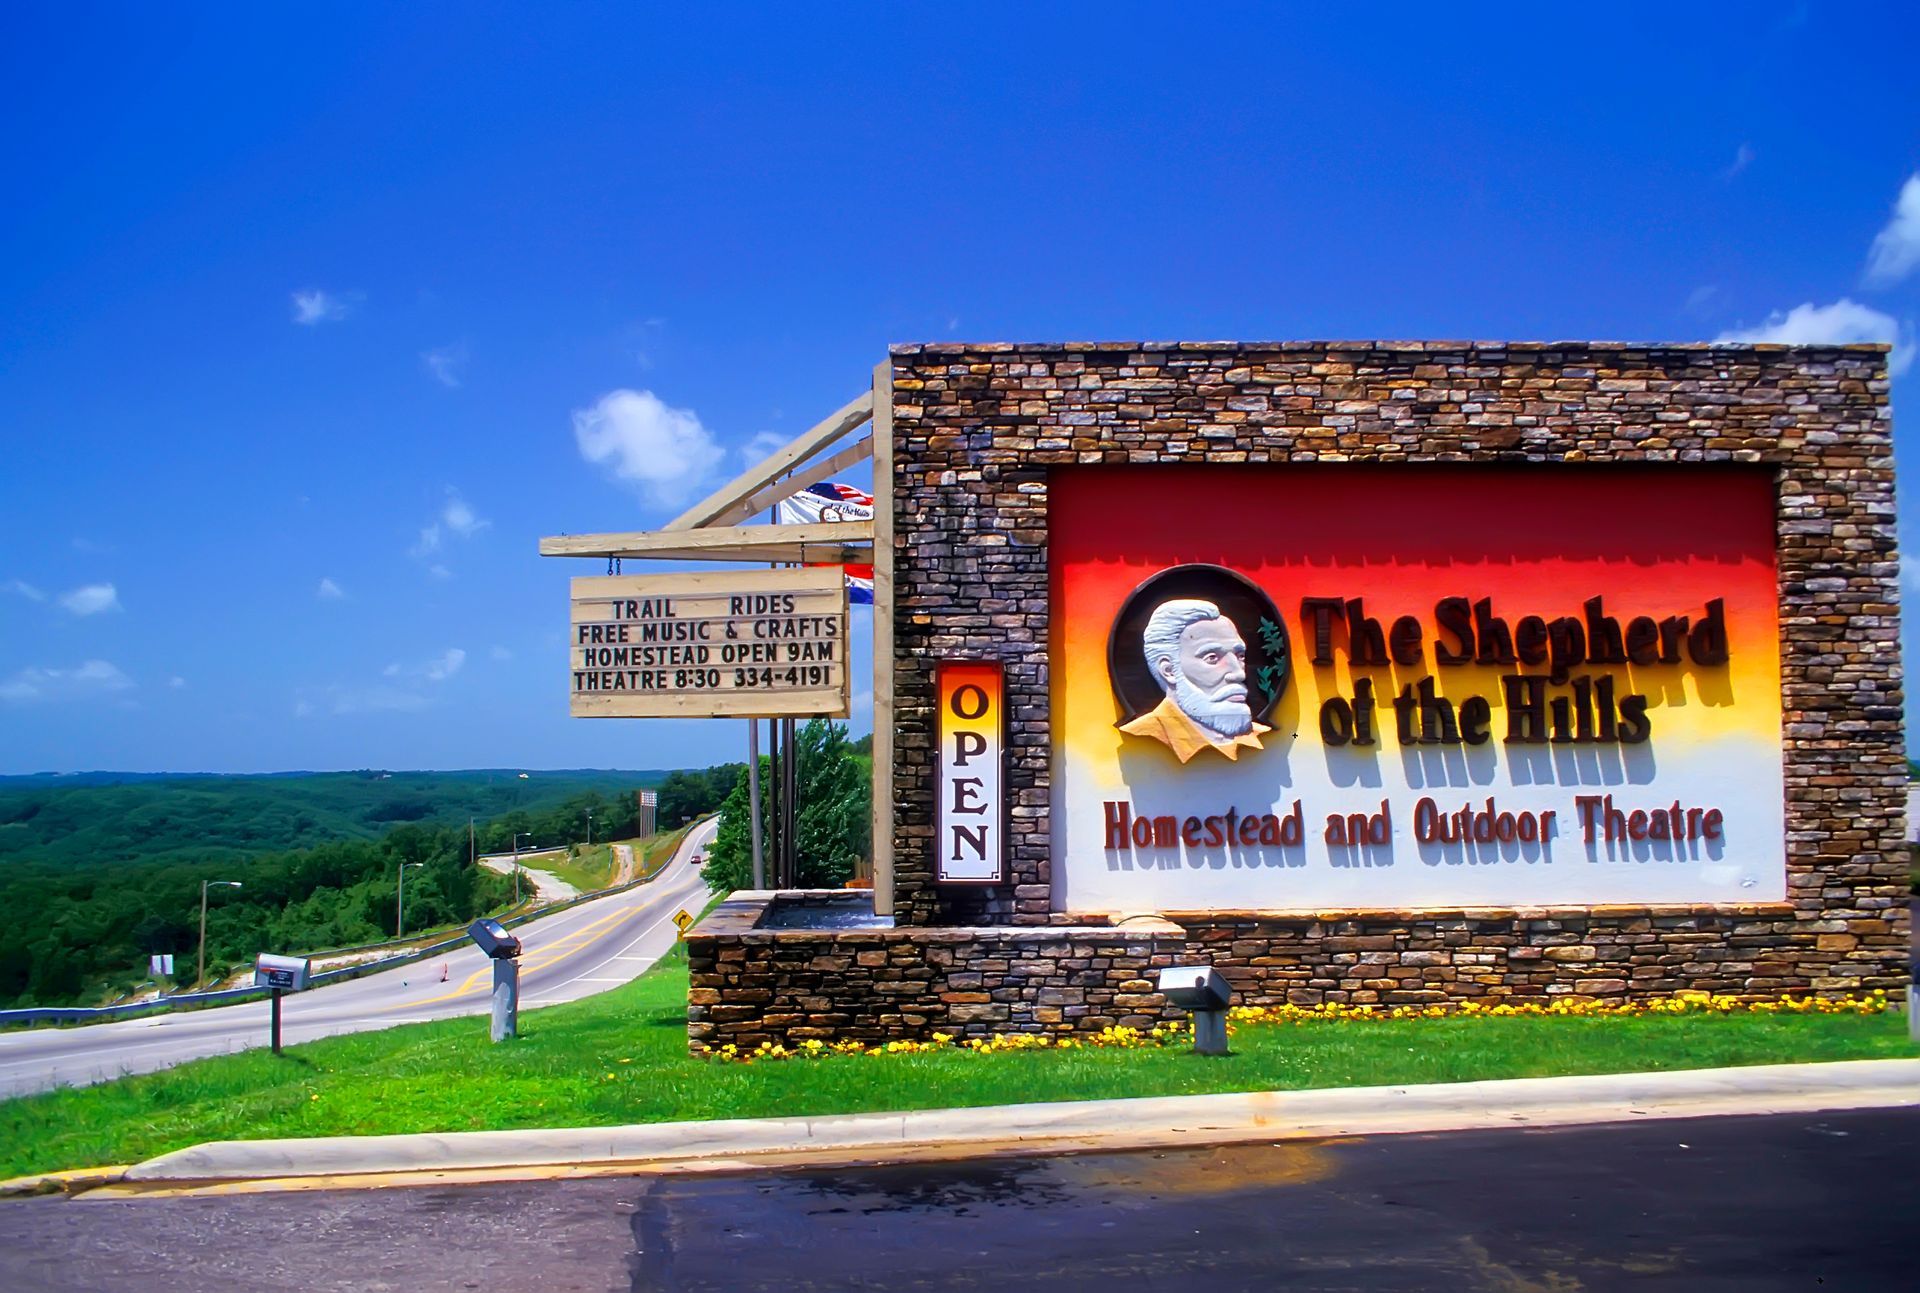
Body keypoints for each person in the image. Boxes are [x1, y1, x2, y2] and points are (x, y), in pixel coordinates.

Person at [1119, 598, 1269, 763]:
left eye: (1240, 656)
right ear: (1169, 670)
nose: (1239, 673)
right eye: (1212, 658)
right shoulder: (1144, 738)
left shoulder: (1259, 734)